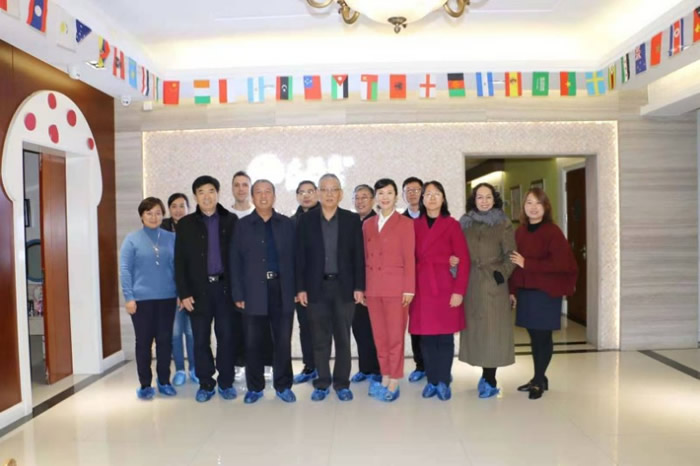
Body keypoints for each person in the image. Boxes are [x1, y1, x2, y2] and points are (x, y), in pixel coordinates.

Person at [296, 173, 365, 402]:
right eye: (324, 189)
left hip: (344, 288)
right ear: (318, 193)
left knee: (343, 338)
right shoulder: (306, 221)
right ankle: (322, 382)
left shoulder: (351, 220)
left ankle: (342, 383)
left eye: (333, 189)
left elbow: (358, 256)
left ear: (340, 194)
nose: (328, 194)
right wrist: (301, 288)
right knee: (319, 339)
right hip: (316, 288)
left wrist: (359, 286)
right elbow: (300, 257)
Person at [230, 180, 297, 404]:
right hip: (253, 290)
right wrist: (238, 294)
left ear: (274, 196)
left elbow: (296, 260)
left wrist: (297, 289)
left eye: (268, 191)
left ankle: (283, 385)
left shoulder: (286, 224)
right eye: (258, 192)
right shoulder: (242, 225)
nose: (263, 195)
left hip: (282, 289)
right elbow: (235, 261)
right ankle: (255, 387)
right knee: (252, 341)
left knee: (283, 341)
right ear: (252, 197)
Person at [174, 175, 239, 402]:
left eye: (211, 191)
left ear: (218, 193)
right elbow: (179, 262)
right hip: (198, 293)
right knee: (200, 340)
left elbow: (239, 259)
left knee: (226, 338)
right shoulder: (185, 224)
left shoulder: (231, 220)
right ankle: (206, 383)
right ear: (195, 197)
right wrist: (184, 293)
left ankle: (226, 382)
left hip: (225, 290)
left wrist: (238, 292)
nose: (207, 196)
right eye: (201, 192)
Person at [509, 188, 578, 400]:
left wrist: (527, 263)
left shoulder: (552, 232)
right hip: (526, 292)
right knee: (534, 337)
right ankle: (539, 377)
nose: (533, 207)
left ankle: (539, 380)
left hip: (546, 293)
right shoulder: (520, 232)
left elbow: (562, 264)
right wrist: (512, 291)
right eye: (529, 202)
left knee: (543, 337)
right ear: (523, 207)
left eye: (538, 203)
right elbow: (513, 264)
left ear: (545, 207)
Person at [410, 181, 469, 401]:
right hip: (421, 288)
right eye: (428, 194)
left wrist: (459, 291)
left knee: (445, 338)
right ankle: (432, 380)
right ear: (422, 199)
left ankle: (443, 381)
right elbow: (408, 257)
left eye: (437, 194)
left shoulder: (452, 224)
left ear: (443, 198)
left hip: (445, 287)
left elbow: (463, 260)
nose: (432, 198)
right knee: (426, 339)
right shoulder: (413, 225)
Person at [458, 183, 516, 399]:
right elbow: (457, 250)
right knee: (476, 331)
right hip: (471, 283)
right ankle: (483, 375)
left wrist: (501, 273)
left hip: (493, 283)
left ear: (494, 199)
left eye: (488, 197)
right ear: (474, 200)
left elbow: (511, 254)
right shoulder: (465, 223)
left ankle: (490, 379)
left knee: (493, 332)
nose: (484, 201)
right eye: (480, 197)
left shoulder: (503, 223)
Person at [120, 197, 178, 399]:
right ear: (141, 216)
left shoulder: (172, 238)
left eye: (158, 213)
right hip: (141, 301)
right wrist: (129, 297)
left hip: (168, 298)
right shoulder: (132, 239)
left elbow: (178, 268)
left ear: (163, 215)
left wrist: (180, 293)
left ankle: (164, 381)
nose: (154, 217)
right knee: (144, 342)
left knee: (165, 342)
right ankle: (145, 384)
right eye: (149, 213)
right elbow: (125, 269)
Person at [364, 178, 416, 402]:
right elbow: (364, 258)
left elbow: (409, 258)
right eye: (380, 193)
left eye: (389, 193)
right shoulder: (368, 224)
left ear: (396, 197)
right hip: (373, 287)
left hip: (396, 288)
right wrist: (363, 288)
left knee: (395, 336)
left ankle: (394, 377)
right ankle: (385, 373)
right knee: (379, 336)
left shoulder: (405, 223)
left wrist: (409, 288)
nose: (384, 197)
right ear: (375, 197)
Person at [160, 193, 198, 387]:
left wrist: (187, 292)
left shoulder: (195, 227)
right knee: (175, 333)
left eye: (182, 205)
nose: (178, 210)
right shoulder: (162, 231)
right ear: (169, 209)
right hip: (171, 292)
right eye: (174, 206)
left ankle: (194, 368)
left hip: (193, 291)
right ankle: (180, 370)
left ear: (188, 208)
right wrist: (177, 293)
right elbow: (164, 266)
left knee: (192, 333)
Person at [350, 184, 381, 383]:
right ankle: (365, 368)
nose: (360, 201)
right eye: (357, 197)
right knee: (359, 328)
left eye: (364, 197)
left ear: (372, 200)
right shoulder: (351, 222)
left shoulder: (378, 222)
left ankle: (378, 369)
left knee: (376, 329)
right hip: (354, 286)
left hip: (374, 285)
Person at [290, 180, 320, 384]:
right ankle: (310, 366)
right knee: (305, 327)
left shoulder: (326, 217)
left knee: (324, 328)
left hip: (324, 285)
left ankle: (324, 368)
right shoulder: (291, 222)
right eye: (302, 192)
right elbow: (290, 258)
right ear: (297, 196)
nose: (306, 195)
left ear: (317, 194)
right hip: (300, 287)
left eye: (310, 191)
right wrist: (296, 287)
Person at [402, 176, 427, 383]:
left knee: (433, 321)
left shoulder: (433, 216)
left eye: (416, 190)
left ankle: (436, 363)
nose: (412, 193)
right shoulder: (399, 220)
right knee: (416, 324)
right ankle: (420, 365)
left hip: (431, 278)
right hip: (408, 280)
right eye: (408, 190)